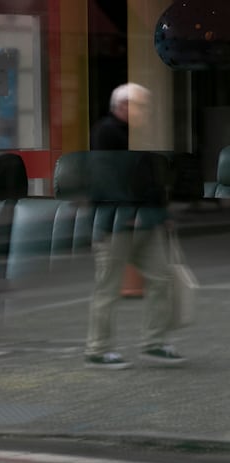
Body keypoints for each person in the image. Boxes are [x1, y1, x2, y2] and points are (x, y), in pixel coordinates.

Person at [85, 84, 186, 369]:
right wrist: (126, 210)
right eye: (141, 106)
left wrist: (161, 212)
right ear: (122, 106)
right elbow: (106, 176)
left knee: (162, 279)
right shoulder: (107, 132)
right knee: (108, 288)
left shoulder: (140, 135)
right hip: (116, 223)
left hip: (147, 220)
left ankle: (153, 343)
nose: (146, 111)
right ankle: (97, 349)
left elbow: (152, 178)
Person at [90, 82, 151, 150]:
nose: (146, 111)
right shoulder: (107, 130)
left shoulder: (135, 130)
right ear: (124, 105)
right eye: (141, 106)